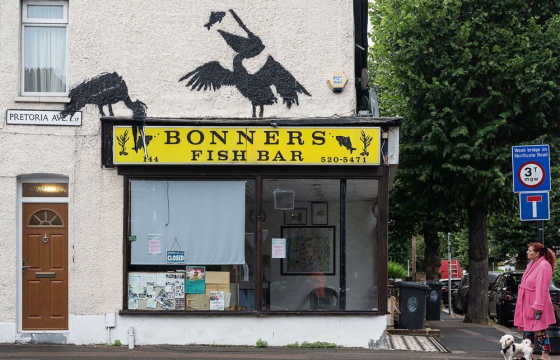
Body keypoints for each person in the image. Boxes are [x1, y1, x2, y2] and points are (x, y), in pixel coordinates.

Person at [513, 242, 557, 360]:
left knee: (539, 329)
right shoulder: (532, 264)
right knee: (528, 330)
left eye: (530, 250)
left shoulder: (544, 265)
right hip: (528, 301)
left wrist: (538, 306)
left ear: (537, 254)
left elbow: (542, 287)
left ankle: (545, 355)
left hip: (537, 302)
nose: (527, 252)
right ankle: (527, 355)